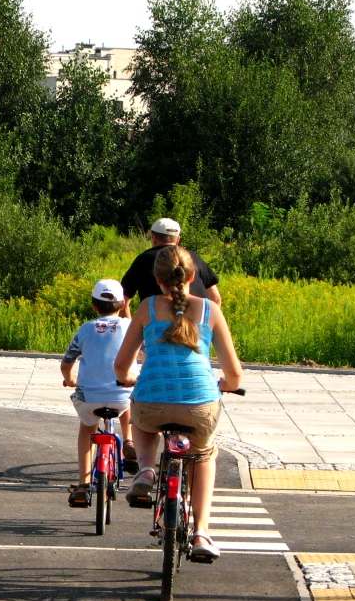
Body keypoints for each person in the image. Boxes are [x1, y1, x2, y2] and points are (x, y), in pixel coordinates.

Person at [114, 245, 242, 560]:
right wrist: (225, 385)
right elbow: (234, 374)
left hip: (152, 402)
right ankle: (201, 533)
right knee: (203, 455)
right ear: (193, 276)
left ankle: (145, 469)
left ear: (156, 280)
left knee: (142, 422)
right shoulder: (211, 310)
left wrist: (128, 378)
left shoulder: (146, 308)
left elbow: (121, 365)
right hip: (199, 404)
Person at [60, 279, 138, 508]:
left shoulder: (85, 329)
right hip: (121, 397)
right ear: (122, 304)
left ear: (94, 306)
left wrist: (70, 379)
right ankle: (129, 440)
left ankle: (83, 484)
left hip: (90, 399)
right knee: (126, 392)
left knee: (87, 430)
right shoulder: (130, 328)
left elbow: (67, 362)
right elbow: (145, 354)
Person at [119, 218, 220, 318]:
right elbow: (215, 298)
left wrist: (130, 329)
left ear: (154, 238)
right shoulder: (192, 257)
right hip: (197, 327)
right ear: (178, 239)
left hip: (158, 326)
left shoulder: (143, 260)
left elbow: (123, 301)